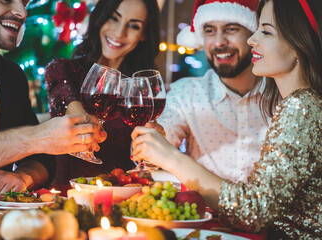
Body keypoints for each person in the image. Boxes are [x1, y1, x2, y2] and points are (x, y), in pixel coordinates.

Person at [132, 0, 322, 237]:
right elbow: (166, 130)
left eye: (264, 31)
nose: (254, 39)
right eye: (209, 30)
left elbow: (253, 208)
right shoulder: (298, 102)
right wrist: (159, 143)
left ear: (298, 44)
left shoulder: (299, 106)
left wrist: (169, 156)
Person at [0, 0, 99, 211]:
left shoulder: (12, 76)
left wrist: (23, 176)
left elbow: (43, 161)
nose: (22, 11)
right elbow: (36, 142)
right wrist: (38, 137)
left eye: (25, 2)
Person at [44, 0, 161, 183]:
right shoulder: (62, 69)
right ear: (100, 17)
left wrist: (151, 147)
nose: (119, 33)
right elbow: (73, 110)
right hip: (67, 197)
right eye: (114, 18)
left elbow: (142, 159)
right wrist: (85, 126)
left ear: (144, 34)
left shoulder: (138, 91)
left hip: (120, 199)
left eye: (133, 26)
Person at [156, 0, 268, 183]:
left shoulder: (284, 95)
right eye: (209, 30)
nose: (218, 42)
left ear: (254, 34)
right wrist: (155, 139)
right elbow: (162, 135)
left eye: (231, 29)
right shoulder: (186, 94)